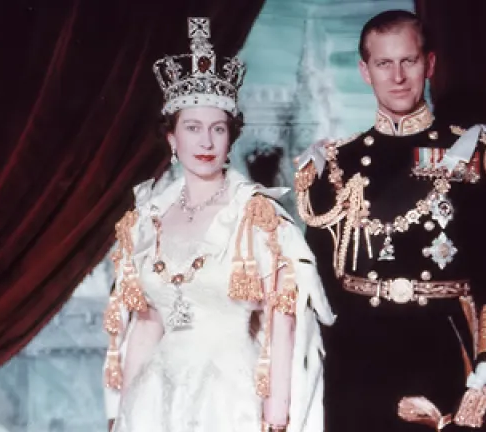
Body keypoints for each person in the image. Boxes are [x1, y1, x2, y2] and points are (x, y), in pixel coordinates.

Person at [294, 10, 486, 432]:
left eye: (408, 60)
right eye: (384, 63)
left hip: (440, 349)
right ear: (365, 71)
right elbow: (320, 284)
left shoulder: (472, 155)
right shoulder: (335, 164)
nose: (398, 76)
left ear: (429, 64)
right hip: (357, 359)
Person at [102, 17, 334, 432]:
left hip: (231, 399)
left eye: (217, 129)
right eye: (192, 128)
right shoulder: (148, 220)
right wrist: (121, 415)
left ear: (231, 138)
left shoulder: (256, 216)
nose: (206, 142)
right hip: (155, 401)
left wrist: (276, 415)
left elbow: (282, 320)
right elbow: (147, 325)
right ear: (172, 139)